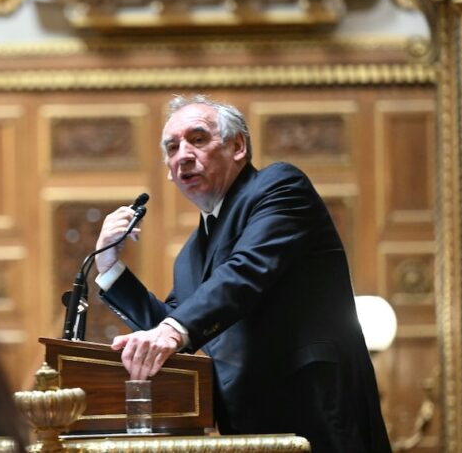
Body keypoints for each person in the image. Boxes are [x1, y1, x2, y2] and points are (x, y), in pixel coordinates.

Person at [94, 95, 391, 453]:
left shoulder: (279, 187)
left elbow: (245, 272)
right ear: (170, 174)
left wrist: (171, 331)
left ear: (238, 146)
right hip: (249, 427)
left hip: (316, 414)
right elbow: (176, 325)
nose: (183, 155)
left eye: (198, 139)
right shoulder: (191, 253)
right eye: (172, 148)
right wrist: (110, 267)